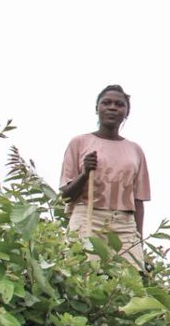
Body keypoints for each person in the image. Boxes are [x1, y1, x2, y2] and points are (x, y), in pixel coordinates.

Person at [60, 84, 151, 272]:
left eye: (119, 104)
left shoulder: (135, 150)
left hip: (124, 224)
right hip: (88, 216)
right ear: (97, 108)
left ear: (126, 112)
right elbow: (66, 195)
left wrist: (139, 242)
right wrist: (85, 174)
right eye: (106, 103)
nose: (112, 107)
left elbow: (138, 200)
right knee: (82, 272)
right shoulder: (80, 143)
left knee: (132, 277)